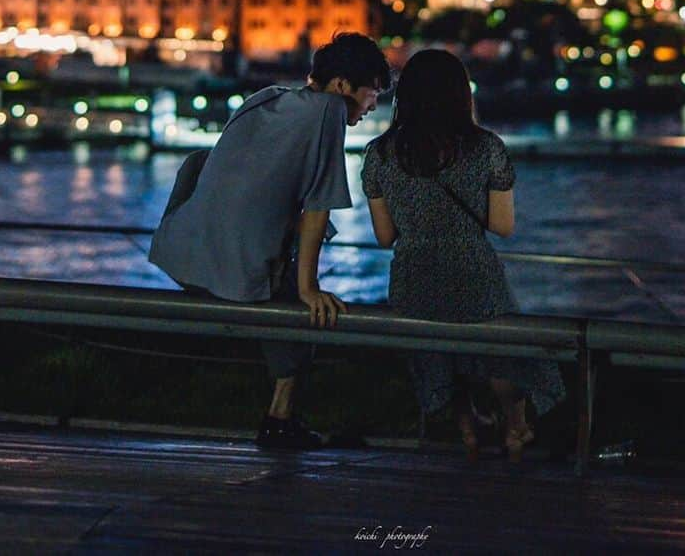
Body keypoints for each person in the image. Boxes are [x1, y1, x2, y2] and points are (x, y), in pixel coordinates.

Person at [149, 31, 391, 448]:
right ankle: (280, 418)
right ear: (342, 86)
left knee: (288, 292)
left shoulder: (265, 97)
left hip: (182, 248)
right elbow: (319, 205)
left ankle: (281, 417)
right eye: (372, 93)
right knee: (303, 312)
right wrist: (309, 288)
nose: (373, 106)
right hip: (234, 267)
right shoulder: (329, 111)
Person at [361, 47, 564, 459]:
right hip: (474, 272)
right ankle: (515, 428)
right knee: (502, 353)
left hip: (414, 278)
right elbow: (503, 227)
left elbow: (385, 237)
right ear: (461, 94)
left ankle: (466, 432)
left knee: (438, 357)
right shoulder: (486, 147)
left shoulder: (380, 153)